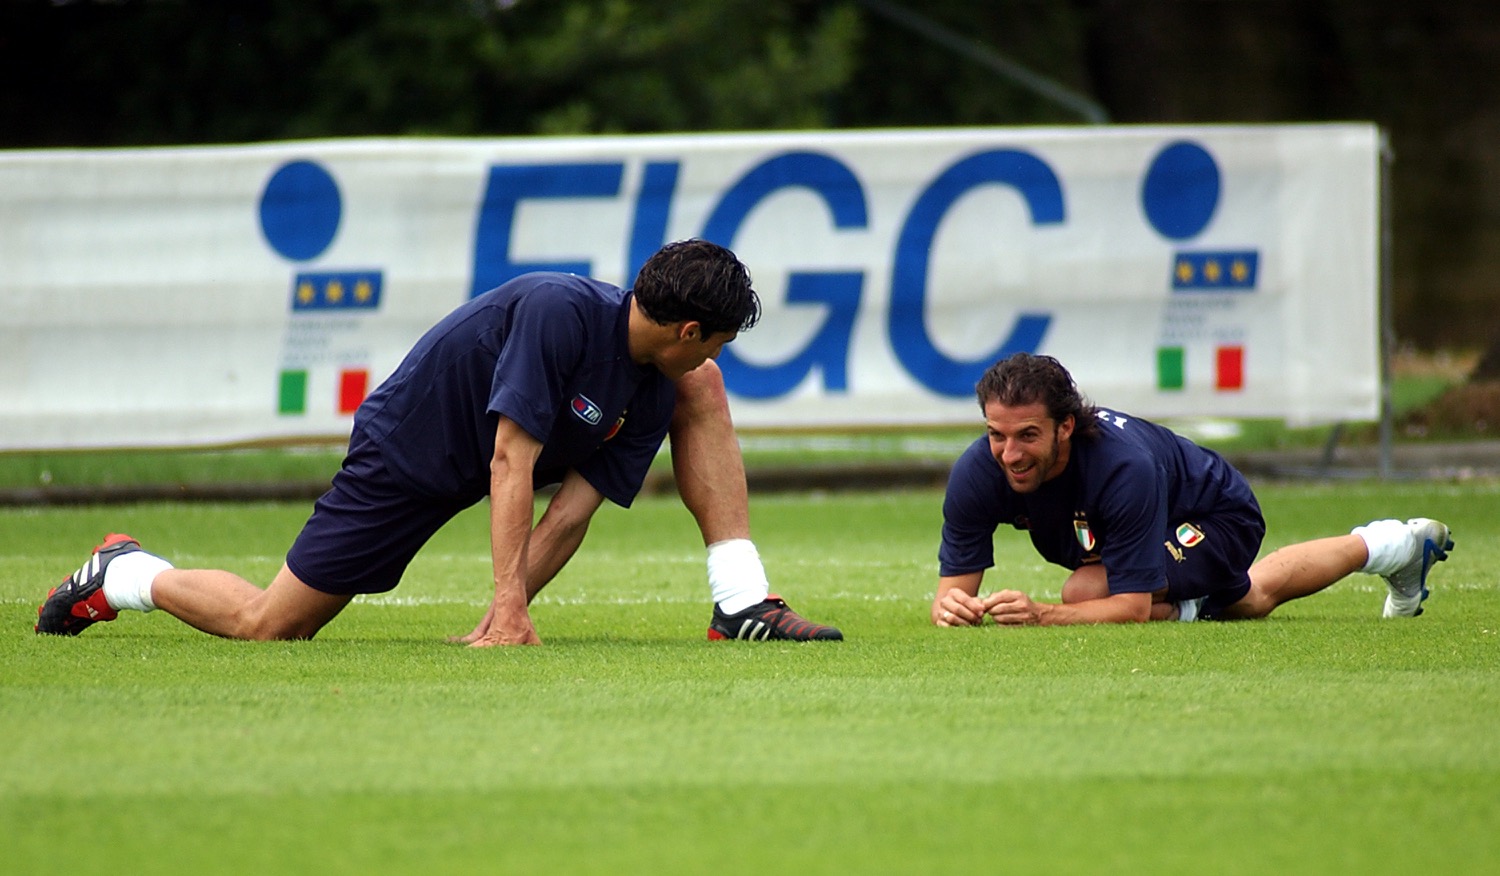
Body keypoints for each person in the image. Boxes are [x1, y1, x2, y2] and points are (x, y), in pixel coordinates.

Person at [36, 239, 842, 645]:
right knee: (271, 625)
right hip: (412, 453)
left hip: (524, 450)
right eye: (717, 342)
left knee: (696, 391)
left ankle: (739, 599)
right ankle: (128, 571)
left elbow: (571, 513)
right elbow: (509, 460)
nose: (715, 359)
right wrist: (503, 599)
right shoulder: (561, 312)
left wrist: (508, 617)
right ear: (689, 326)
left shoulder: (665, 377)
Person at [932, 353, 1454, 628]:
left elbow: (1131, 608)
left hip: (1215, 512)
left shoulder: (1120, 468)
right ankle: (1397, 545)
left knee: (1087, 592)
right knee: (1248, 601)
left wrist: (1042, 615)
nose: (1010, 454)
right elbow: (950, 595)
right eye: (996, 435)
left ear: (1065, 427)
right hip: (1155, 519)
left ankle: (1187, 608)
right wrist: (953, 609)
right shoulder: (980, 471)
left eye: (1027, 436)